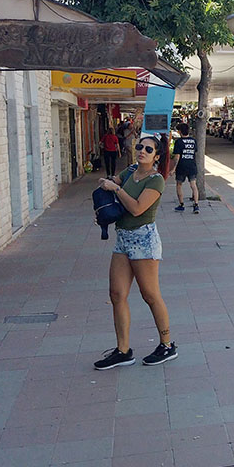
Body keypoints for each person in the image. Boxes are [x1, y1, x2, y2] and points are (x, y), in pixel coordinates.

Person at [94, 135, 177, 369]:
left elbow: (138, 208)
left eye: (148, 149)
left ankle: (167, 344)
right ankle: (123, 350)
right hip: (122, 238)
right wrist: (104, 196)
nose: (141, 151)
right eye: (139, 147)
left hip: (144, 239)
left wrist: (117, 189)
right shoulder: (131, 171)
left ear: (156, 156)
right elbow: (113, 183)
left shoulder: (156, 180)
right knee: (116, 294)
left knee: (150, 294)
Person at [170, 122, 200, 214]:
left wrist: (173, 169)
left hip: (182, 166)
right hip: (192, 166)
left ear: (180, 132)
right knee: (193, 185)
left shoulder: (179, 142)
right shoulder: (193, 141)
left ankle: (181, 205)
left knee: (179, 185)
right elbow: (195, 152)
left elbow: (177, 156)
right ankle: (196, 205)